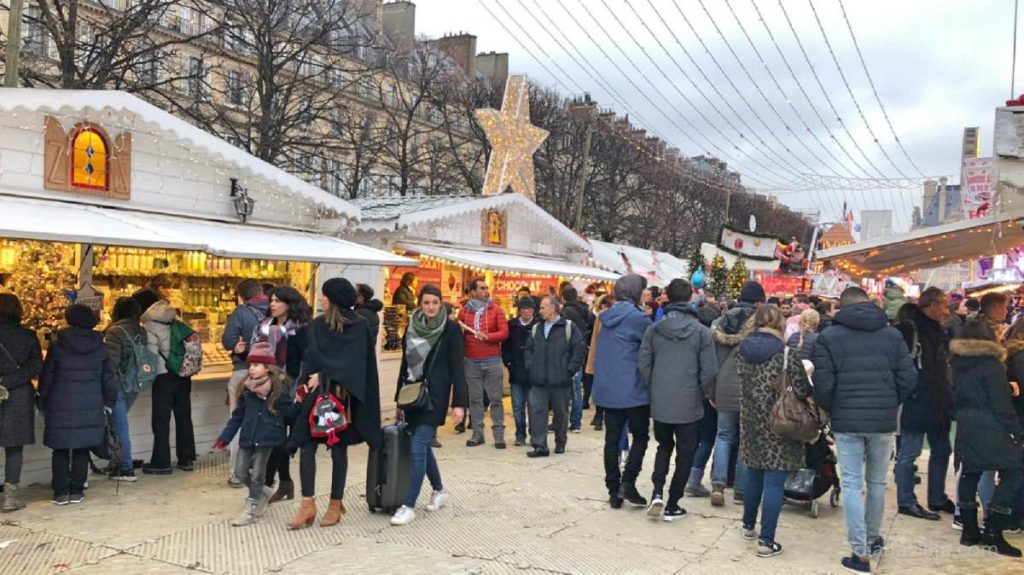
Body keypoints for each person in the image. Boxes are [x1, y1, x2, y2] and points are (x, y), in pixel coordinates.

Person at [814, 287, 917, 573]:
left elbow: (823, 383)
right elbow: (908, 377)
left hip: (847, 418)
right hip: (883, 419)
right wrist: (890, 399)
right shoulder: (892, 335)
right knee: (876, 483)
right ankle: (872, 539)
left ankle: (859, 550)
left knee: (850, 483)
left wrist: (834, 406)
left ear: (842, 307)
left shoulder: (830, 337)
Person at [287, 278, 381, 529]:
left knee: (338, 449)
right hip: (317, 395)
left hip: (343, 398)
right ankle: (307, 504)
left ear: (333, 298)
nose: (320, 298)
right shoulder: (317, 325)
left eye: (324, 295)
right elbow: (311, 358)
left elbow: (356, 364)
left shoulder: (359, 326)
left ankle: (335, 503)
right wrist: (304, 384)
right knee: (307, 446)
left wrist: (327, 375)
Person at [735, 304, 814, 558]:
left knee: (754, 474)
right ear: (779, 323)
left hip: (750, 420)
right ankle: (766, 540)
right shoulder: (787, 354)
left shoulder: (741, 350)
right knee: (774, 481)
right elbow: (802, 389)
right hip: (779, 422)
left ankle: (748, 525)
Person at [639, 279, 717, 521]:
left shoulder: (654, 329)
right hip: (689, 400)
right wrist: (701, 391)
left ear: (667, 298)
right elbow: (710, 369)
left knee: (663, 447)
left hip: (662, 399)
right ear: (690, 296)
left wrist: (655, 384)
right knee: (686, 453)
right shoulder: (701, 332)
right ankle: (673, 502)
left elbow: (643, 363)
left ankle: (657, 492)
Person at [391, 284, 468, 526]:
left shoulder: (451, 329)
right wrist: (398, 400)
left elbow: (458, 367)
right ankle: (438, 490)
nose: (431, 307)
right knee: (423, 447)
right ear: (420, 304)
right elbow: (405, 366)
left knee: (417, 447)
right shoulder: (411, 327)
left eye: (435, 302)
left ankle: (408, 505)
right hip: (412, 395)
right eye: (426, 302)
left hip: (435, 396)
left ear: (440, 303)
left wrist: (460, 404)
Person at [951, 318, 1024, 557]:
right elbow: (999, 403)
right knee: (1014, 472)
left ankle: (969, 530)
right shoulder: (991, 364)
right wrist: (1015, 428)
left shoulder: (957, 362)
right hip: (990, 425)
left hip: (966, 423)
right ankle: (994, 530)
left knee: (970, 473)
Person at [39, 305, 117, 505]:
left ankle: (61, 492)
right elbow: (109, 379)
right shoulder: (101, 347)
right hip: (91, 403)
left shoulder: (58, 346)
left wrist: (42, 401)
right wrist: (108, 402)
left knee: (61, 448)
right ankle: (77, 491)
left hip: (60, 403)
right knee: (82, 447)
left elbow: (47, 377)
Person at [212, 342, 294, 527]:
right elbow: (238, 415)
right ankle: (263, 492)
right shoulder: (246, 389)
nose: (251, 369)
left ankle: (251, 509)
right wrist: (225, 437)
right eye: (250, 365)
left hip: (268, 437)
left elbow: (289, 412)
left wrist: (299, 409)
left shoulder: (278, 390)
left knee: (258, 474)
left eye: (256, 365)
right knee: (240, 472)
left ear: (268, 368)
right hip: (248, 436)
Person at [894, 287, 955, 521]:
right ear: (931, 304)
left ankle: (937, 497)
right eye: (943, 305)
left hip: (937, 399)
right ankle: (906, 501)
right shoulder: (911, 328)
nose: (946, 311)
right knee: (910, 452)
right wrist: (911, 391)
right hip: (917, 400)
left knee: (942, 449)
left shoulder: (938, 330)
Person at [592, 274, 653, 509]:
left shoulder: (606, 317)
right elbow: (650, 348)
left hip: (609, 387)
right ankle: (627, 482)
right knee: (640, 436)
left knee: (612, 440)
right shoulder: (638, 319)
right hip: (633, 388)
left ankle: (613, 490)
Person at [253, 286, 312, 502]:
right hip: (266, 385)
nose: (273, 304)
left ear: (290, 304)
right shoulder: (265, 326)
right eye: (271, 300)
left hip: (290, 386)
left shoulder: (303, 329)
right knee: (272, 436)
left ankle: (269, 484)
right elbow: (256, 353)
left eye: (278, 301)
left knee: (280, 437)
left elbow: (308, 359)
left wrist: (302, 387)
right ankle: (283, 482)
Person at [708, 281, 764, 506]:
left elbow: (713, 360)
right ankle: (740, 490)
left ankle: (718, 485)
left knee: (723, 436)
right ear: (759, 301)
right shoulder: (762, 324)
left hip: (723, 385)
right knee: (744, 439)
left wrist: (710, 389)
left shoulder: (719, 322)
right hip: (750, 387)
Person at [141, 290, 196, 475]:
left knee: (161, 420)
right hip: (183, 375)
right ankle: (186, 458)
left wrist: (145, 376)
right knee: (184, 416)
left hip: (164, 377)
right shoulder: (176, 322)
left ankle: (161, 461)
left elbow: (151, 356)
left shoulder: (150, 326)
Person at [220, 279, 269, 488]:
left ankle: (237, 473)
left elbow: (228, 340)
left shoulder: (241, 312)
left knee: (238, 421)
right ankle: (262, 471)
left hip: (244, 371)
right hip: (270, 375)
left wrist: (237, 347)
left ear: (240, 296)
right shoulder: (275, 310)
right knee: (264, 422)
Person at [524, 296, 587, 457]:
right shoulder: (536, 328)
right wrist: (530, 367)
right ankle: (540, 446)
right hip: (538, 380)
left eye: (543, 307)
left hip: (560, 380)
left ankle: (560, 441)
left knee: (560, 414)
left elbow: (579, 350)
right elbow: (528, 350)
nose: (540, 311)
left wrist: (569, 371)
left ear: (553, 308)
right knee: (536, 412)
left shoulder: (568, 327)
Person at [0, 294, 43, 512]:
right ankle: (10, 496)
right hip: (18, 395)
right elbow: (36, 365)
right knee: (14, 447)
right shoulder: (27, 335)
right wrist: (11, 381)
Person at [459, 279, 509, 449]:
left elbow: (504, 332)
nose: (486, 291)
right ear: (472, 292)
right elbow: (461, 335)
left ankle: (499, 436)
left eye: (487, 288)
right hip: (471, 361)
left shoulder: (495, 310)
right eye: (482, 288)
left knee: (496, 400)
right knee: (475, 400)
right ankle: (477, 434)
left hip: (492, 360)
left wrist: (489, 337)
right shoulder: (464, 312)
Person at [102, 297, 147, 482]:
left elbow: (110, 362)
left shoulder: (115, 332)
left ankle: (125, 467)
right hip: (134, 384)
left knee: (118, 427)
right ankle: (117, 462)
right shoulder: (141, 330)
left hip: (118, 385)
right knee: (116, 424)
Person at [503, 298, 538, 447]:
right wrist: (509, 363)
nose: (526, 311)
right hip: (516, 371)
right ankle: (520, 434)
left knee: (533, 406)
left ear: (533, 311)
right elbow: (505, 347)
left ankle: (534, 434)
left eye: (529, 308)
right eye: (523, 308)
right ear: (519, 310)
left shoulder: (538, 326)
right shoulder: (511, 326)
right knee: (517, 407)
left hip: (533, 373)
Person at [560, 286, 594, 434]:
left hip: (568, 353)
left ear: (563, 297)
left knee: (566, 389)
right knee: (576, 389)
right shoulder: (585, 309)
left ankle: (569, 421)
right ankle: (576, 422)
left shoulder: (566, 312)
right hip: (582, 351)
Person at [585, 294, 615, 431]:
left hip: (608, 358)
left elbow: (595, 340)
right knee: (604, 388)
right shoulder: (602, 317)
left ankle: (601, 416)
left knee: (605, 388)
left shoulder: (602, 317)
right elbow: (595, 340)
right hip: (606, 357)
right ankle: (599, 415)